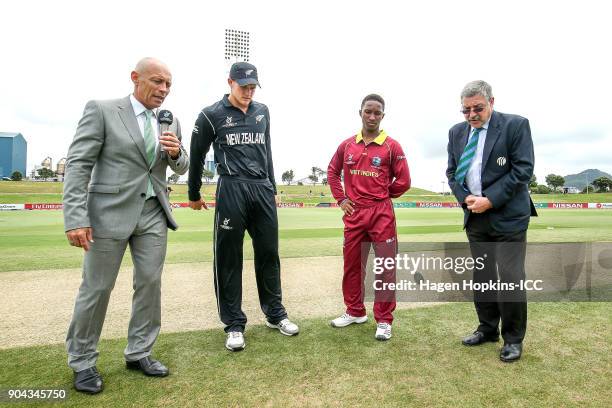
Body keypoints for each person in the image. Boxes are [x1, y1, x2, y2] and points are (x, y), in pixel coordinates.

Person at [63, 57, 189, 393]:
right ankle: (83, 360)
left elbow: (181, 167)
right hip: (107, 214)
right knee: (97, 288)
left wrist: (177, 153)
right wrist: (76, 216)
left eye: (168, 85)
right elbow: (78, 164)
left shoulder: (170, 120)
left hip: (153, 213)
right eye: (158, 82)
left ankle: (139, 352)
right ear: (136, 78)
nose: (164, 90)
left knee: (150, 284)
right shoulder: (102, 110)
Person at [188, 62, 299, 351]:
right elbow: (198, 156)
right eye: (243, 86)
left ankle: (275, 314)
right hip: (231, 188)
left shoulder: (263, 112)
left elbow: (268, 151)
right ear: (230, 83)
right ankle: (234, 324)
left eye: (252, 87)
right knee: (228, 257)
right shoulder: (211, 115)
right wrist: (193, 193)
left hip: (262, 188)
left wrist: (272, 187)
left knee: (268, 254)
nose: (248, 92)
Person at [446, 80, 536, 362]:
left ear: (492, 103)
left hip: (508, 216)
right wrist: (466, 199)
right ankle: (487, 329)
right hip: (475, 217)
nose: (472, 115)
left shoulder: (515, 126)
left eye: (478, 108)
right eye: (466, 110)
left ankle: (513, 339)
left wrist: (491, 199)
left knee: (509, 278)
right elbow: (452, 173)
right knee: (483, 277)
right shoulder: (456, 132)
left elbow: (523, 169)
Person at [327, 94, 411, 340]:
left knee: (385, 267)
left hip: (381, 213)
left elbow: (404, 181)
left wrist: (382, 196)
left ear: (383, 116)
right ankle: (355, 311)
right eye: (368, 112)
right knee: (352, 265)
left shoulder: (391, 146)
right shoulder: (347, 145)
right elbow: (332, 172)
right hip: (354, 214)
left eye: (377, 113)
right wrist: (342, 199)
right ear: (360, 112)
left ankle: (384, 320)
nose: (372, 116)